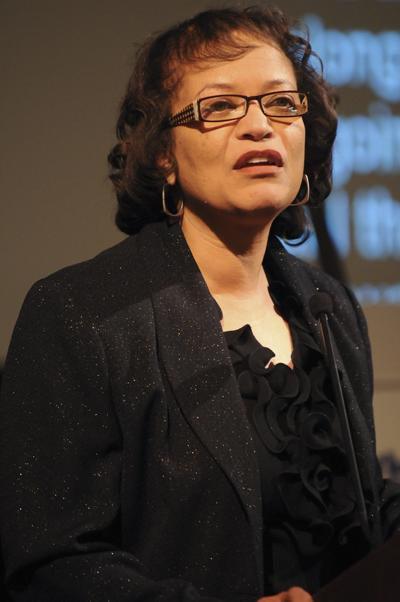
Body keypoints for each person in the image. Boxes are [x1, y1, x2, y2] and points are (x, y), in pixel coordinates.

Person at [0, 5, 399, 602]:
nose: (259, 126)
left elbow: (362, 511)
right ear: (163, 152)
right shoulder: (80, 314)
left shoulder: (329, 307)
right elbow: (50, 564)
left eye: (281, 103)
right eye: (220, 106)